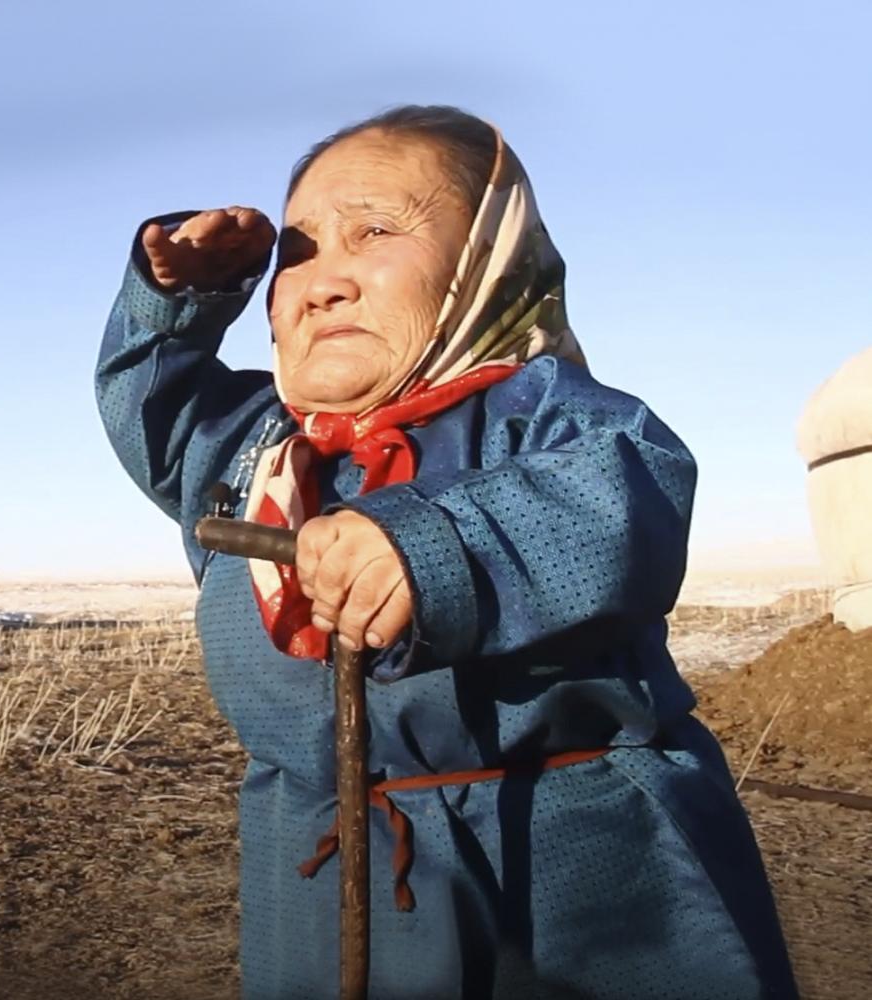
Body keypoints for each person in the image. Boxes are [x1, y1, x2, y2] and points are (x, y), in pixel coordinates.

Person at [95, 105, 798, 999]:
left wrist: (434, 543)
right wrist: (178, 308)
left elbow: (628, 503)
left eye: (376, 232)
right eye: (296, 255)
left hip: (576, 869)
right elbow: (153, 411)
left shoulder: (549, 415)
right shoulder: (256, 451)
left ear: (486, 268)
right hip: (317, 860)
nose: (322, 283)